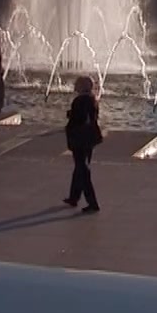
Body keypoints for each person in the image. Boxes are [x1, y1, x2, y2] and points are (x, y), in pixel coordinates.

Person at [63, 76, 102, 213]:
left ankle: (92, 202)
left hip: (80, 139)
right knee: (80, 167)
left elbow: (78, 119)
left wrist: (70, 115)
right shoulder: (92, 99)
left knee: (82, 169)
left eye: (77, 83)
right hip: (89, 138)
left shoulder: (80, 100)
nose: (74, 85)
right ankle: (74, 196)